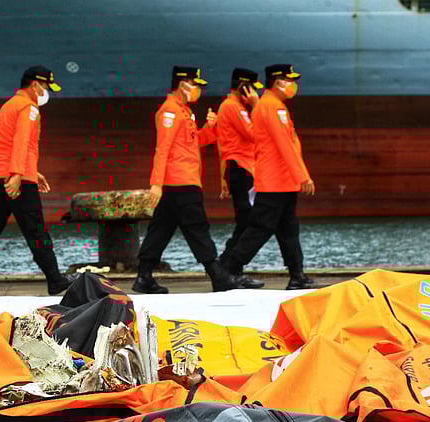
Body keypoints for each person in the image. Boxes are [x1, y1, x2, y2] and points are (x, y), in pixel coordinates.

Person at [0, 65, 77, 297]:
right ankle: (55, 279)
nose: (47, 92)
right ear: (35, 84)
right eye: (46, 86)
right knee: (36, 230)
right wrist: (18, 175)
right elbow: (22, 142)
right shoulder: (29, 108)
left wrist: (32, 171)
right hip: (18, 181)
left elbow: (7, 144)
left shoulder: (8, 106)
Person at [132, 66, 241, 294]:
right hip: (180, 181)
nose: (199, 90)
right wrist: (156, 183)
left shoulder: (185, 111)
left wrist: (211, 128)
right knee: (197, 227)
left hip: (182, 180)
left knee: (160, 229)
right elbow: (163, 148)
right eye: (196, 84)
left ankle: (144, 276)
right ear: (183, 84)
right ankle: (217, 274)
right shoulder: (169, 112)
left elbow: (194, 141)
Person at [223, 64, 318, 290]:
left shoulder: (267, 106)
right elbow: (285, 145)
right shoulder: (274, 108)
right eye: (290, 80)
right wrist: (303, 176)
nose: (293, 85)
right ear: (278, 82)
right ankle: (229, 269)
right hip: (276, 181)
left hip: (280, 181)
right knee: (260, 229)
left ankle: (297, 275)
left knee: (288, 230)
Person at [215, 68, 265, 289]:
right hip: (242, 169)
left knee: (246, 221)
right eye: (253, 88)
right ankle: (229, 269)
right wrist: (258, 106)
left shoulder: (232, 107)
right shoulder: (233, 107)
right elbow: (255, 134)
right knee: (247, 221)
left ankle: (226, 267)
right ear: (245, 87)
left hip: (243, 169)